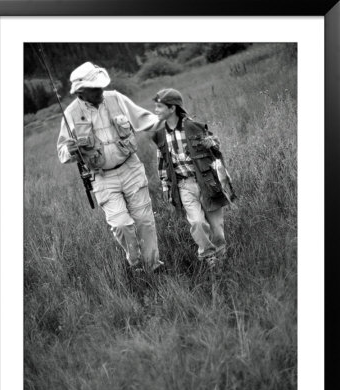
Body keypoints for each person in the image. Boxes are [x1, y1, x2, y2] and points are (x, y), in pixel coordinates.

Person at [57, 62, 164, 272]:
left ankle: (153, 266)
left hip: (130, 168)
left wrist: (171, 119)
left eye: (101, 86)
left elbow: (144, 119)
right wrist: (70, 150)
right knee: (121, 225)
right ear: (81, 91)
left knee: (144, 220)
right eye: (94, 88)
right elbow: (61, 153)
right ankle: (136, 266)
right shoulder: (70, 114)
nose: (100, 91)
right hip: (102, 177)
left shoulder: (115, 98)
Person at [150, 88, 236, 268]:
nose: (155, 111)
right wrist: (167, 189)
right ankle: (208, 258)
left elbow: (216, 151)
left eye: (159, 107)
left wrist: (212, 143)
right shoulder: (159, 135)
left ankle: (222, 259)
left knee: (216, 228)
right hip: (183, 185)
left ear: (172, 108)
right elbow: (162, 164)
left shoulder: (194, 127)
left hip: (207, 182)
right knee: (197, 222)